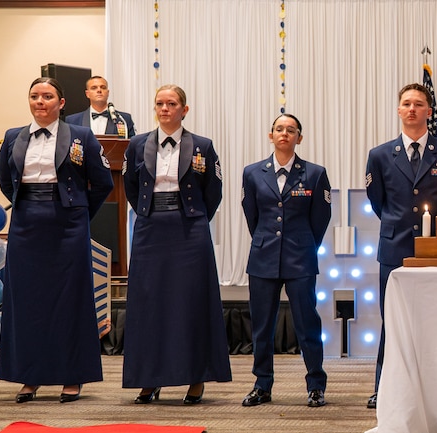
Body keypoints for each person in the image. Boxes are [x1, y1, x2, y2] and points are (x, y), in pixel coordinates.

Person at [0, 77, 113, 403]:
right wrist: (27, 205)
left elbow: (102, 182)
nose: (40, 101)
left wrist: (78, 212)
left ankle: (72, 376)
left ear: (61, 103)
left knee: (69, 301)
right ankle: (30, 375)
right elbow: (6, 180)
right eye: (34, 96)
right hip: (26, 225)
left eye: (47, 96)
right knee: (28, 301)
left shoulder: (81, 136)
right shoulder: (13, 136)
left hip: (68, 226)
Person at [121, 84, 231, 405]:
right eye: (160, 103)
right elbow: (130, 186)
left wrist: (194, 217)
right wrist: (150, 212)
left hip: (189, 228)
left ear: (185, 109)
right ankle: (149, 378)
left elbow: (213, 190)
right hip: (150, 227)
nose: (165, 109)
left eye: (171, 103)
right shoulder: (137, 145)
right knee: (148, 302)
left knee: (191, 302)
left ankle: (196, 377)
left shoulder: (202, 146)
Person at [364, 83, 437, 409]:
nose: (412, 109)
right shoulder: (380, 155)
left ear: (429, 111)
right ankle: (384, 388)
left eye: (419, 104)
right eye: (406, 103)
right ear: (399, 110)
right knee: (392, 321)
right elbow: (378, 202)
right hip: (394, 249)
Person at [240, 113, 333, 408]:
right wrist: (267, 240)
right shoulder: (252, 173)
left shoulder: (315, 173)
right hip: (263, 258)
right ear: (271, 136)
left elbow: (321, 218)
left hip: (300, 257)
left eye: (291, 130)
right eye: (279, 129)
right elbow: (252, 215)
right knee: (262, 326)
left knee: (307, 324)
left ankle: (316, 385)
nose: (284, 134)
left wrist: (305, 245)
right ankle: (262, 385)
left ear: (299, 138)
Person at [65, 76, 136, 138]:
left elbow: (131, 145)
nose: (99, 90)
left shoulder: (124, 119)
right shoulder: (73, 121)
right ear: (87, 94)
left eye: (103, 87)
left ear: (108, 93)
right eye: (94, 88)